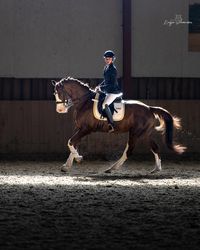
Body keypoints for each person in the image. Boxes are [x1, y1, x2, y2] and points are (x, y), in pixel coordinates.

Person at [96, 50, 122, 133]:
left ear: (112, 59)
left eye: (109, 59)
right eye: (106, 59)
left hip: (113, 91)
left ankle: (112, 124)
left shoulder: (113, 70)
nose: (107, 60)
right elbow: (106, 81)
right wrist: (99, 86)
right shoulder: (106, 68)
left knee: (105, 104)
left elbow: (112, 84)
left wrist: (102, 88)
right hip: (108, 90)